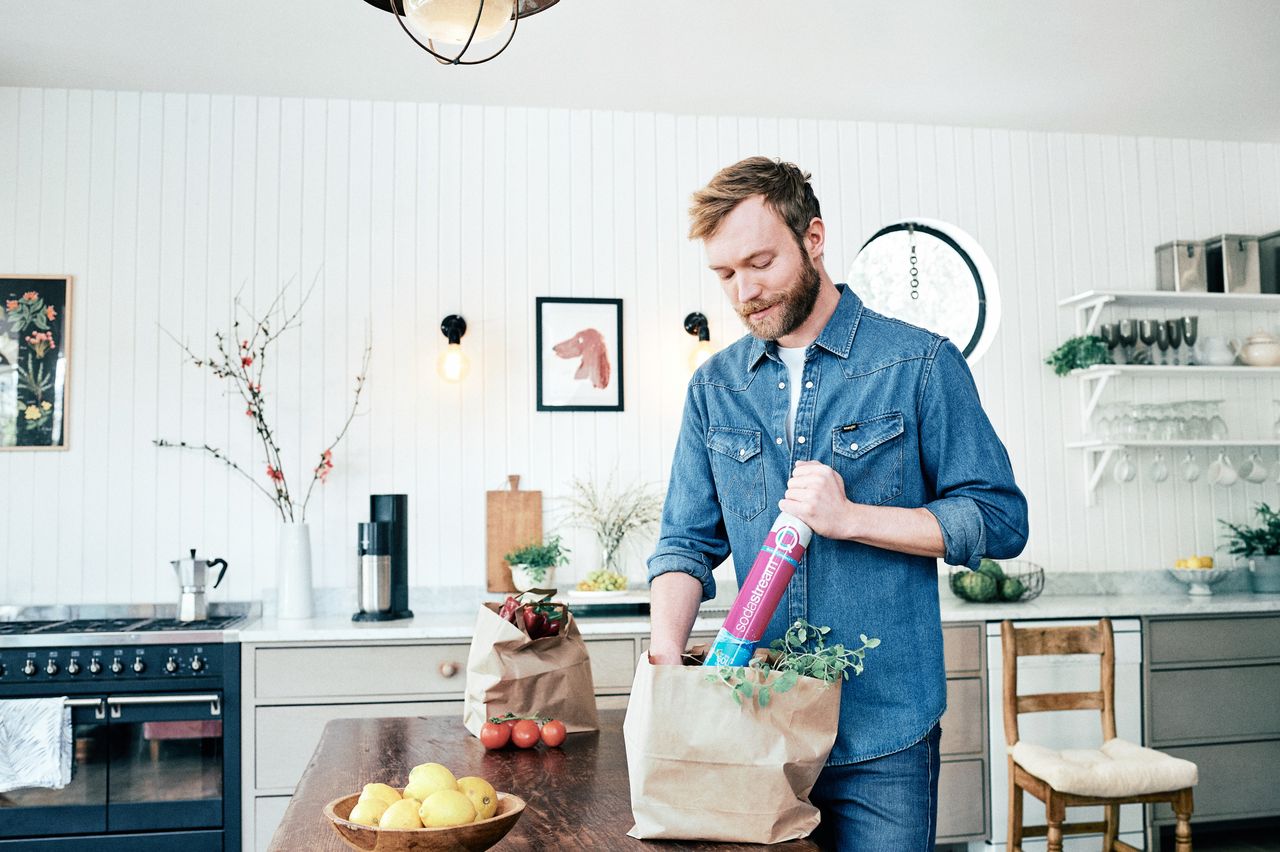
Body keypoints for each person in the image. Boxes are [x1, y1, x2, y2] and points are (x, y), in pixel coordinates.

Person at [646, 157, 1029, 852]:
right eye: (725, 275)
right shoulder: (714, 389)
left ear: (813, 238)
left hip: (882, 735)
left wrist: (852, 518)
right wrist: (667, 653)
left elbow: (1000, 520)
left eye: (760, 262)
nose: (745, 291)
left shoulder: (919, 365)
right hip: (751, 726)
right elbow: (684, 542)